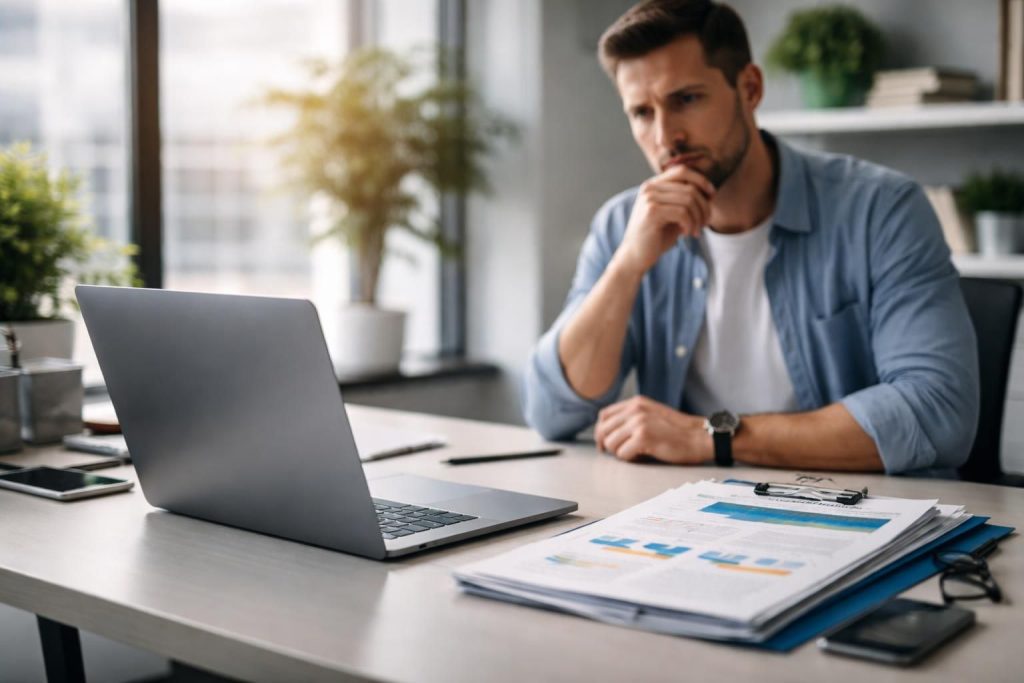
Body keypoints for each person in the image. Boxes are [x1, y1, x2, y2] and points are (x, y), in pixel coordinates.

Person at [522, 0, 978, 475]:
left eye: (686, 99)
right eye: (641, 112)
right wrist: (627, 266)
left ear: (750, 88)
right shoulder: (623, 225)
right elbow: (550, 411)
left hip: (852, 513)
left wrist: (709, 436)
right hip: (680, 516)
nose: (665, 136)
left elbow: (938, 413)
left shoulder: (881, 210)